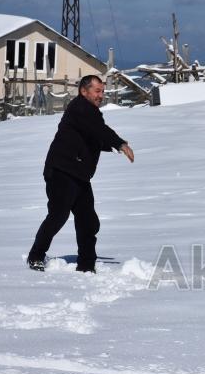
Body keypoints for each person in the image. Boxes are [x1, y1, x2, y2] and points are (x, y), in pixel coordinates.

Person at [27, 75, 134, 273]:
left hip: (79, 174)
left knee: (88, 220)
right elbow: (98, 130)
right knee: (58, 215)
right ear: (84, 91)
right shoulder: (80, 109)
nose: (101, 95)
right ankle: (35, 256)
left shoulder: (89, 112)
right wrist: (119, 143)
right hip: (61, 171)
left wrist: (110, 147)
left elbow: (92, 135)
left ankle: (86, 265)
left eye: (102, 91)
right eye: (97, 91)